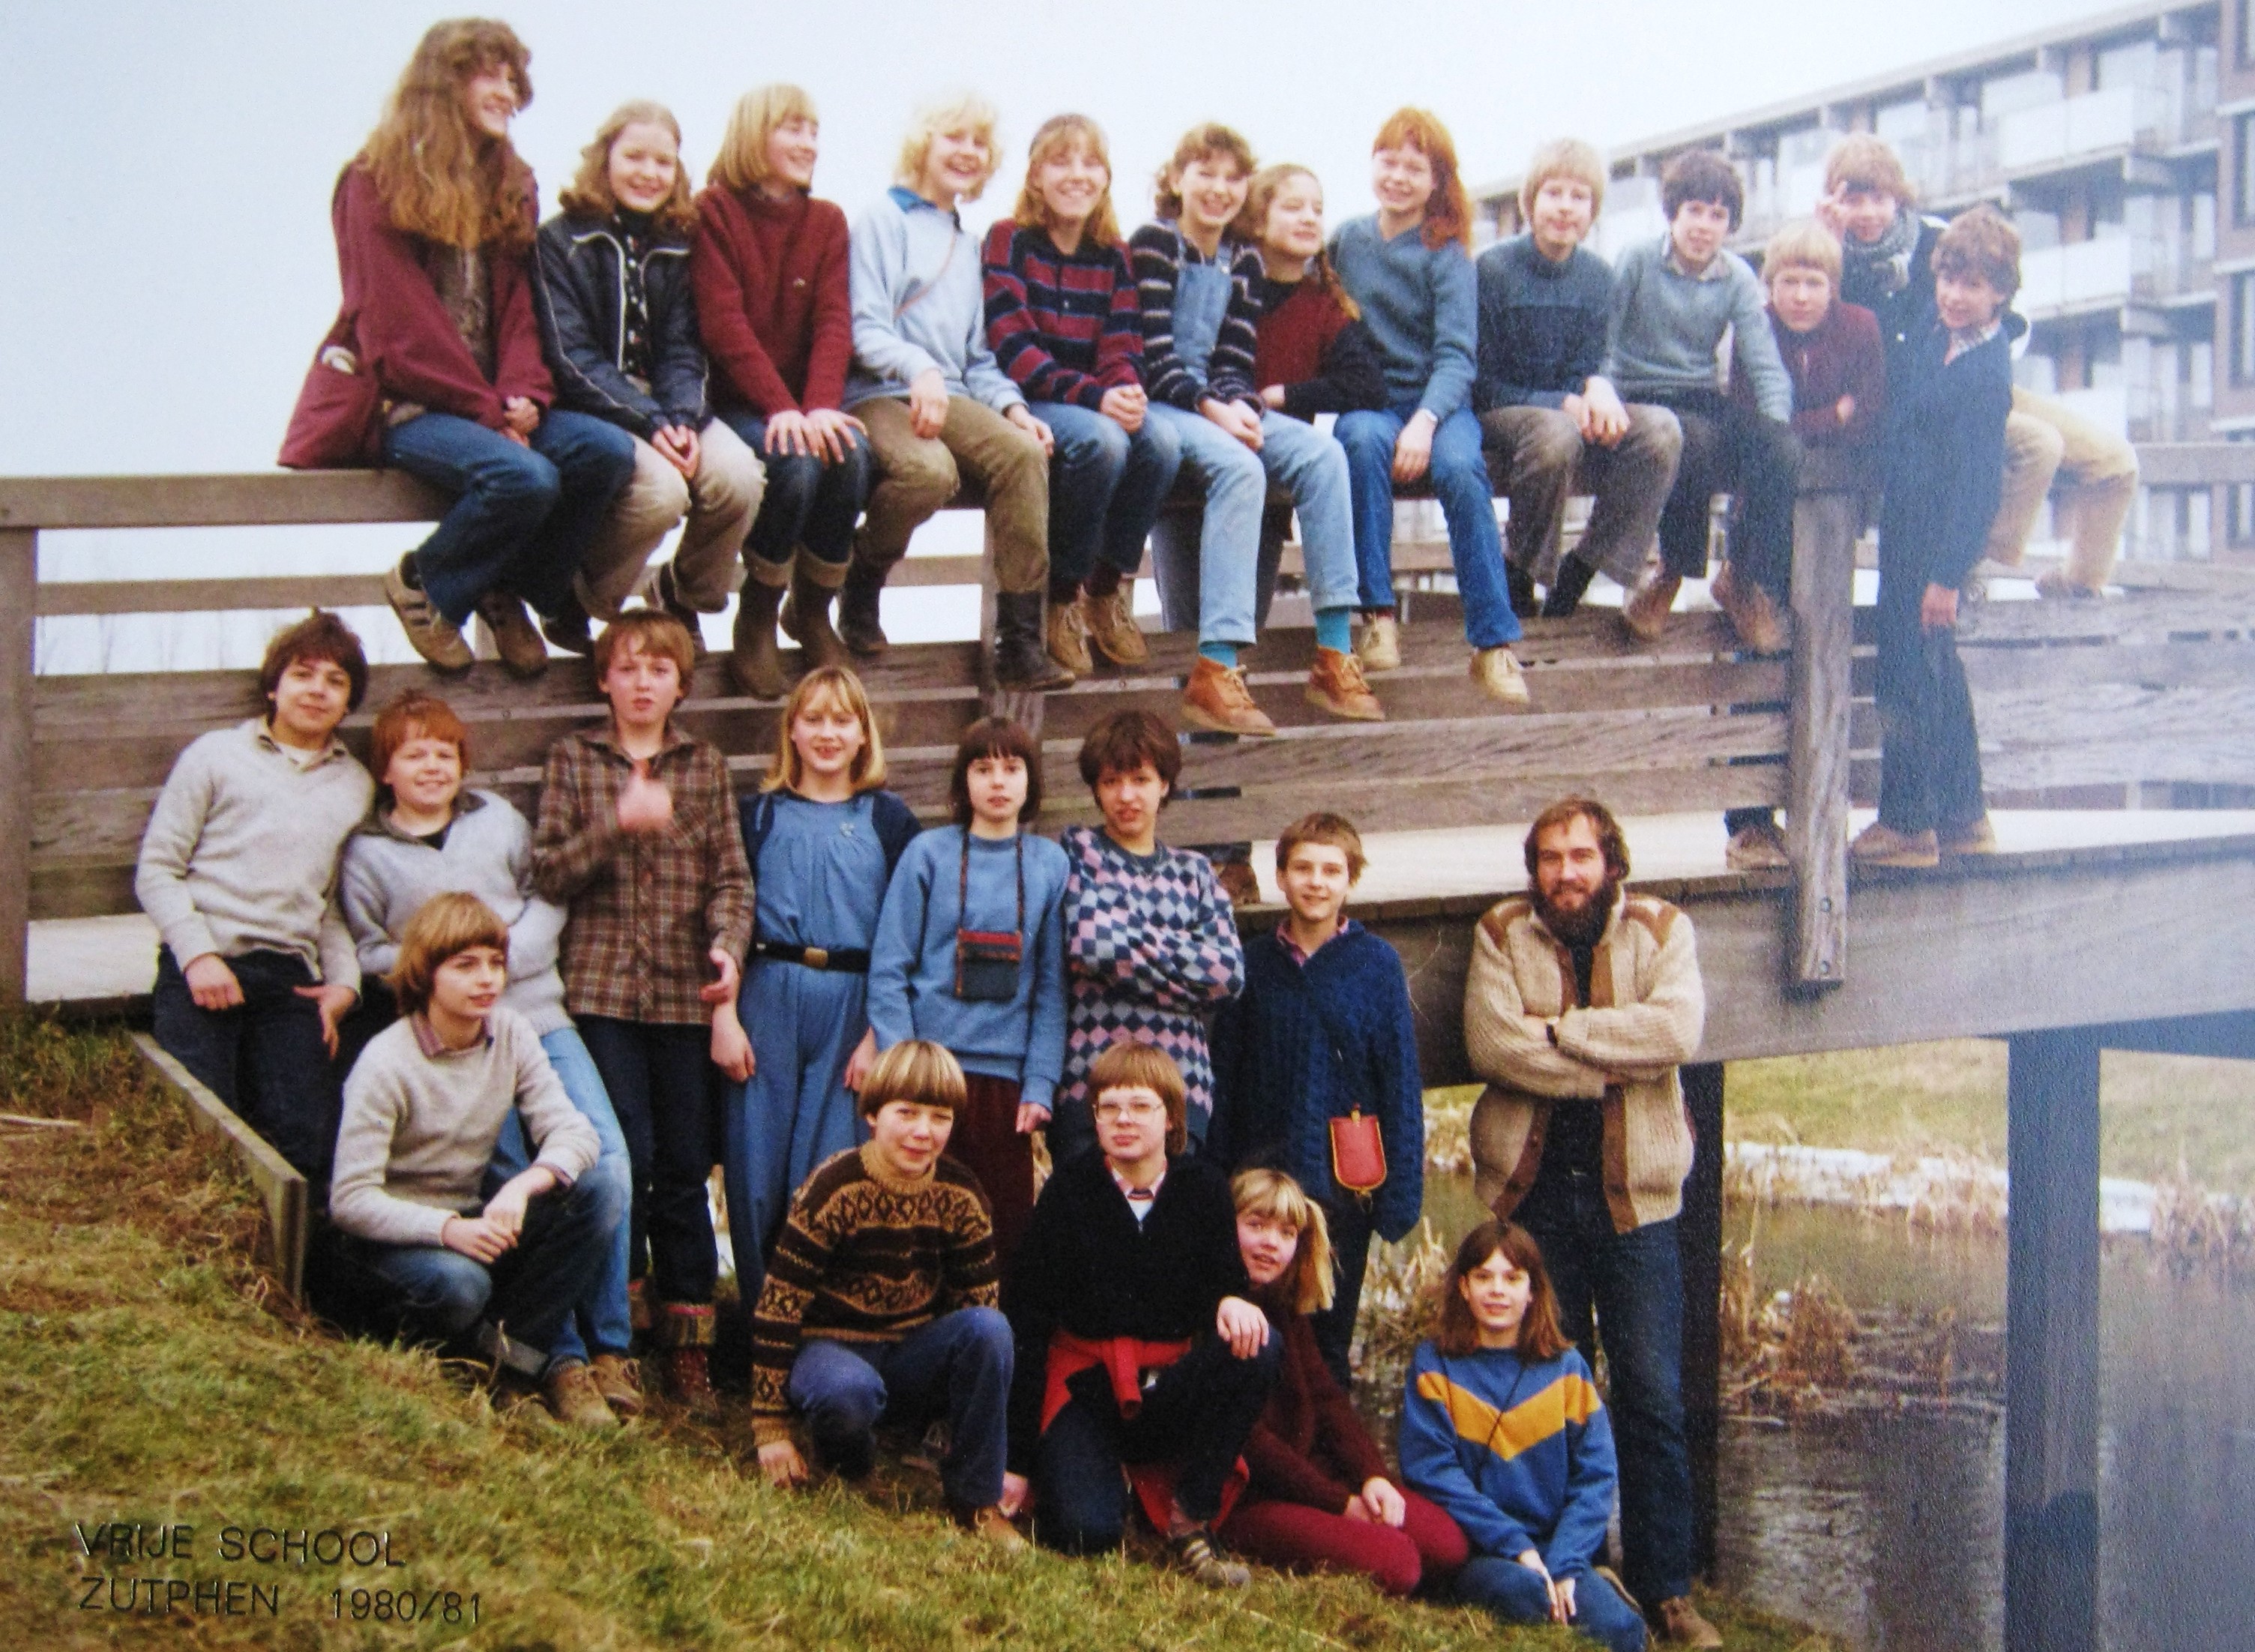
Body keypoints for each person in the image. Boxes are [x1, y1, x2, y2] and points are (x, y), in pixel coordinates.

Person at [288, 19, 634, 678]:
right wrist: (489, 416)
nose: (508, 93)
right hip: (408, 405)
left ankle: (506, 586)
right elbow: (397, 328)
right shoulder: (373, 181)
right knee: (522, 477)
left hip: (493, 406)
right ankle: (426, 584)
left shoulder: (511, 181)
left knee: (603, 453)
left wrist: (526, 395)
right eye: (491, 76)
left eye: (514, 80)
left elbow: (521, 309)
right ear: (445, 82)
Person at [337, 690, 640, 1426]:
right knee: (509, 1179)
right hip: (456, 1035)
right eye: (415, 751)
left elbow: (549, 892)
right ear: (385, 767)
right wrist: (450, 961)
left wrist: (503, 959)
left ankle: (609, 1344)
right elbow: (367, 944)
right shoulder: (367, 854)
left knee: (604, 1167)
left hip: (534, 1013)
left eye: (445, 751)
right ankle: (556, 1360)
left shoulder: (498, 820)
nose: (432, 764)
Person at [1461, 797, 1714, 1648]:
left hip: (1634, 1200)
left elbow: (1675, 1029)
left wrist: (1563, 1032)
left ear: (1610, 858)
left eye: (1579, 855)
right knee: (1547, 1389)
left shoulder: (1660, 927)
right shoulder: (1501, 931)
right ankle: (1569, 1563)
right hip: (1533, 1202)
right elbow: (1494, 1047)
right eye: (1547, 858)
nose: (1563, 873)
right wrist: (1613, 1062)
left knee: (1649, 1394)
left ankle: (1666, 1588)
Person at [530, 610, 752, 1414]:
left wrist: (727, 950)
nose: (642, 682)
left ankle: (688, 1348)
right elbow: (548, 871)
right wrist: (613, 824)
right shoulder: (572, 759)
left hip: (685, 998)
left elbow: (731, 876)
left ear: (679, 685)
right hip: (598, 993)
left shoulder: (705, 765)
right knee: (621, 1157)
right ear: (604, 679)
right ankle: (613, 1337)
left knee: (684, 1168)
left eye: (658, 670)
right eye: (627, 668)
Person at [328, 892, 620, 1426]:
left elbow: (574, 1131)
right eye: (465, 966)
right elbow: (350, 1201)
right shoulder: (386, 1062)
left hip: (472, 1221)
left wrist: (524, 1184)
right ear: (426, 974)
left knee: (599, 1190)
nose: (486, 979)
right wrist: (445, 1229)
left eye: (495, 963)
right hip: (397, 1243)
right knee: (464, 1285)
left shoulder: (510, 1032)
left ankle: (509, 1365)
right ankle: (468, 1360)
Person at [1003, 1040, 1280, 1585]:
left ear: (1172, 1118)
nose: (1123, 1120)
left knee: (1259, 1343)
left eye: (1140, 1106)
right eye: (1110, 1107)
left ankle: (1191, 1519)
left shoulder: (1203, 1188)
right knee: (1087, 1534)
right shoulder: (1070, 1190)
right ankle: (1103, 1489)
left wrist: (1232, 1299)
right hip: (1085, 1387)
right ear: (1095, 1118)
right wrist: (1015, 1460)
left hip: (1167, 1387)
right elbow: (1028, 1319)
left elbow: (1222, 1282)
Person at [1821, 135, 2136, 599]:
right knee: (2038, 444)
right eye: (1854, 200)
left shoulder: (1934, 239)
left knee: (2115, 461)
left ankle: (2079, 585)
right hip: (1908, 411)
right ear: (1833, 200)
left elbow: (2010, 314)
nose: (1867, 213)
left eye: (1879, 199)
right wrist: (1830, 252)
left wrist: (1980, 353)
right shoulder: (1825, 252)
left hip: (1980, 378)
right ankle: (1967, 566)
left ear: (1899, 198)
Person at [747, 1040, 1025, 1551]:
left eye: (939, 1117)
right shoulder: (834, 1187)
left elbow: (976, 1303)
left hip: (909, 1353)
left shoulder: (963, 1195)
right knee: (847, 1394)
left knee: (991, 1328)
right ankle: (850, 1461)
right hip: (830, 1349)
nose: (923, 1132)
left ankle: (975, 1499)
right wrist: (771, 1429)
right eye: (907, 1113)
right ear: (873, 1114)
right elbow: (778, 1306)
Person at [842, 93, 1071, 691]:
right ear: (924, 143)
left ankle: (1020, 639)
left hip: (951, 392)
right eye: (954, 138)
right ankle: (860, 578)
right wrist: (918, 370)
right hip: (880, 391)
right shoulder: (880, 220)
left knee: (1023, 455)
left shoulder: (967, 247)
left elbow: (977, 356)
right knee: (929, 472)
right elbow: (865, 325)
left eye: (978, 143)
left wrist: (1014, 408)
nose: (967, 152)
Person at [135, 612, 373, 1182]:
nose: (317, 690)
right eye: (303, 674)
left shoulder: (356, 786)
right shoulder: (215, 756)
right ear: (274, 686)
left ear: (348, 703)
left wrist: (345, 984)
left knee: (306, 1140)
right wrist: (198, 956)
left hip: (290, 976)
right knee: (203, 1134)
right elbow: (157, 870)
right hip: (205, 967)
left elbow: (331, 903)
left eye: (335, 681)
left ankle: (288, 1272)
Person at [723, 666, 923, 1318]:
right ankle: (762, 1331)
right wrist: (725, 1013)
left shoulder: (890, 820)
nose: (828, 733)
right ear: (792, 731)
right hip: (768, 994)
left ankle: (820, 1329)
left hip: (853, 1005)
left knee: (827, 1175)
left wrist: (879, 1036)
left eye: (843, 720)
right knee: (755, 1176)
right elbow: (727, 910)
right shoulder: (757, 815)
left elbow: (907, 936)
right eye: (814, 719)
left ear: (863, 733)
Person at [532, 99, 766, 651]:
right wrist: (653, 421)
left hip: (670, 402)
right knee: (660, 492)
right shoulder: (562, 241)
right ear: (604, 160)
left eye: (663, 162)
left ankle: (682, 594)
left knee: (739, 480)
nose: (648, 173)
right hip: (594, 403)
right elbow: (571, 355)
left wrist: (681, 416)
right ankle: (586, 599)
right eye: (634, 156)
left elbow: (686, 345)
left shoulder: (679, 242)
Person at [1208, 813, 1421, 1383]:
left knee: (1327, 1344)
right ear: (1280, 876)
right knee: (1256, 1337)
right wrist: (1216, 1173)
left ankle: (1330, 1467)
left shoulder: (1375, 964)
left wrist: (1400, 1193)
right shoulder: (1253, 963)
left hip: (1343, 1186)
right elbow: (1224, 1076)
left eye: (1332, 870)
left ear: (1350, 880)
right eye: (1303, 868)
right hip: (1262, 1179)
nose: (1317, 882)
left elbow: (1399, 1082)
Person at [1331, 109, 1529, 705]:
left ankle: (1492, 644)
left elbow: (1456, 357)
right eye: (1388, 162)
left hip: (1438, 404)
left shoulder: (1447, 254)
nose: (1397, 176)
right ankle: (1377, 615)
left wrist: (1424, 421)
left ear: (1436, 179)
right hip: (1369, 399)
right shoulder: (1346, 240)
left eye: (1414, 167)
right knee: (1360, 444)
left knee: (1461, 471)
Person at [1848, 209, 2017, 871]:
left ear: (2000, 294)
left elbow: (1980, 488)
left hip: (1936, 545)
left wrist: (1948, 575)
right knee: (1937, 673)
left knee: (1907, 677)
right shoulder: (1932, 331)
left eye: (1972, 286)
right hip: (1905, 530)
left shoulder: (1986, 373)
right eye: (1948, 279)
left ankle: (1908, 823)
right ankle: (1964, 814)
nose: (1954, 296)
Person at [692, 84, 873, 697]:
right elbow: (724, 324)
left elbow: (832, 321)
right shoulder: (713, 212)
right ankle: (760, 610)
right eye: (792, 129)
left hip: (806, 400)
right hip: (739, 403)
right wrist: (784, 410)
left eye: (813, 131)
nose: (808, 143)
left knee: (848, 454)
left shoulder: (825, 222)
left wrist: (821, 405)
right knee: (792, 465)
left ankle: (814, 607)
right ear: (753, 135)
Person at [868, 717, 1066, 1276]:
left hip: (1006, 1086)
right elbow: (889, 969)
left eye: (1012, 768)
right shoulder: (927, 855)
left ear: (1031, 783)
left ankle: (995, 1354)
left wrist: (1040, 1082)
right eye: (983, 769)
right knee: (914, 1231)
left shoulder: (1051, 865)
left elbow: (1052, 989)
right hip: (931, 1077)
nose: (998, 782)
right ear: (963, 783)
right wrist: (904, 1068)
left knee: (999, 1234)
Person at [981, 113, 1178, 677]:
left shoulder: (1112, 255)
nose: (1077, 175)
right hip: (1029, 399)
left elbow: (1123, 341)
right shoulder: (1009, 240)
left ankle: (1106, 587)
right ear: (1036, 176)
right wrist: (1097, 399)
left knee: (1159, 440)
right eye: (1061, 162)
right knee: (1103, 444)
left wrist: (1124, 389)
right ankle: (1060, 597)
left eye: (1091, 164)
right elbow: (1013, 346)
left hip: (1091, 399)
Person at [1720, 220, 1887, 872]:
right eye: (1788, 281)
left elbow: (1870, 412)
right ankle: (1750, 823)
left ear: (1833, 287)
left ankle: (1816, 814)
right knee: (1756, 661)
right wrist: (1827, 419)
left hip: (1829, 526)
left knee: (1820, 659)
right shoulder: (1755, 327)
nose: (1800, 295)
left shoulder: (1861, 330)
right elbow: (1752, 419)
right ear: (1771, 285)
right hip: (1764, 525)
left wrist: (1816, 423)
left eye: (1814, 282)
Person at [1215, 1168, 1468, 1596]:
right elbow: (1251, 1443)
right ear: (1227, 1226)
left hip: (1316, 1476)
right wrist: (1340, 1505)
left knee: (1447, 1545)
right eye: (1255, 1226)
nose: (1270, 1243)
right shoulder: (1219, 1311)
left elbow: (1329, 1401)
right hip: (1252, 1496)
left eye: (1286, 1232)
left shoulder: (1286, 1306)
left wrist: (1372, 1478)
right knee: (1399, 1564)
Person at [1399, 1220, 1648, 1652]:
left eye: (1512, 1279)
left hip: (1557, 1545)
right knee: (1526, 1597)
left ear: (1532, 1291)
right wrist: (1515, 1546)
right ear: (1463, 1287)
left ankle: (1589, 1585)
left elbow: (1596, 1477)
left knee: (1621, 1631)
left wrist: (1568, 1564)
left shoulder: (1567, 1368)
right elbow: (1432, 1471)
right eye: (1484, 1277)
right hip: (1481, 1548)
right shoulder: (1435, 1364)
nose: (1498, 1291)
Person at [1473, 138, 1682, 619]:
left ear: (1593, 211)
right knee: (1555, 434)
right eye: (1554, 194)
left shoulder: (1598, 277)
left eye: (1579, 197)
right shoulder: (1493, 269)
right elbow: (1478, 379)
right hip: (1503, 409)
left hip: (1571, 409)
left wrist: (1600, 385)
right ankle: (1520, 574)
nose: (1566, 208)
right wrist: (1556, 402)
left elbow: (1600, 357)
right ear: (1531, 201)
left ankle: (1581, 570)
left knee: (1660, 431)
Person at [1606, 149, 1797, 653]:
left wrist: (1777, 425)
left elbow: (1762, 359)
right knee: (1696, 442)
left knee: (1781, 450)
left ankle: (1741, 575)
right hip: (1638, 391)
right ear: (1673, 212)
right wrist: (1599, 394)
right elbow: (1602, 339)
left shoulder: (1735, 276)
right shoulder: (1638, 260)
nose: (1704, 226)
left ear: (1730, 224)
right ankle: (1670, 574)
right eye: (1695, 210)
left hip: (1697, 389)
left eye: (1718, 215)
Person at [1230, 163, 1388, 723]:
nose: (1308, 218)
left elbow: (1367, 384)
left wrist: (1282, 393)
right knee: (1189, 635)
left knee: (1237, 635)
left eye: (1317, 209)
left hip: (1268, 484)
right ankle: (1193, 790)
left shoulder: (1321, 304)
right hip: (1205, 477)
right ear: (1257, 217)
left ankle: (1334, 652)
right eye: (1293, 207)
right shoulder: (1230, 285)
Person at [1053, 711, 1245, 1166]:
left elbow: (1227, 975)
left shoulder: (1194, 871)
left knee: (1173, 1234)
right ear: (1096, 790)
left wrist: (1128, 939)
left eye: (1140, 779)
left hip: (1181, 1090)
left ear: (1165, 784)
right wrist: (1183, 956)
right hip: (1092, 1090)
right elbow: (1093, 945)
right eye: (1111, 781)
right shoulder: (1078, 852)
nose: (1126, 795)